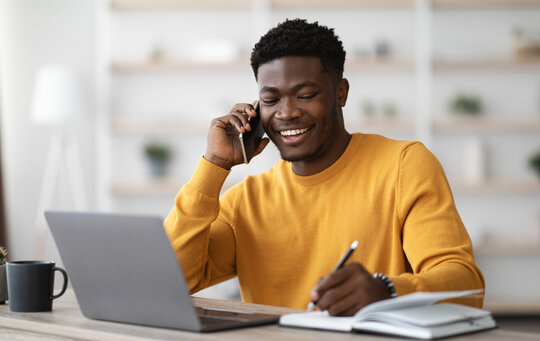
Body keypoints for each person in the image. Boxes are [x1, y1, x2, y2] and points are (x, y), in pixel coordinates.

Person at [164, 19, 484, 316]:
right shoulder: (245, 202)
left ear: (340, 92)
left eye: (306, 95)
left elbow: (466, 285)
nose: (286, 113)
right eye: (271, 100)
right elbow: (171, 281)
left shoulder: (404, 166)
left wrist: (387, 291)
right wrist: (214, 166)